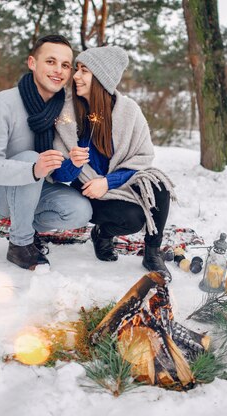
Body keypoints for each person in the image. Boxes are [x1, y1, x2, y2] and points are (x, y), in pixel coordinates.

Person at [0, 35, 92, 270]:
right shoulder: (4, 102)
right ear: (32, 63)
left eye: (65, 65)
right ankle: (20, 244)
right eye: (50, 61)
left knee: (80, 210)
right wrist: (33, 169)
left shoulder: (65, 108)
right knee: (31, 158)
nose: (58, 70)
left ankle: (24, 224)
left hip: (37, 186)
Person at [52, 45, 175, 275]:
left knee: (159, 186)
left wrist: (108, 183)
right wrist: (74, 163)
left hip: (118, 184)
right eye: (77, 69)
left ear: (101, 78)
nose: (76, 76)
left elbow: (143, 158)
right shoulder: (68, 114)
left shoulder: (128, 111)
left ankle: (152, 254)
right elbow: (58, 174)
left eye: (84, 70)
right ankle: (102, 234)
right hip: (87, 190)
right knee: (132, 219)